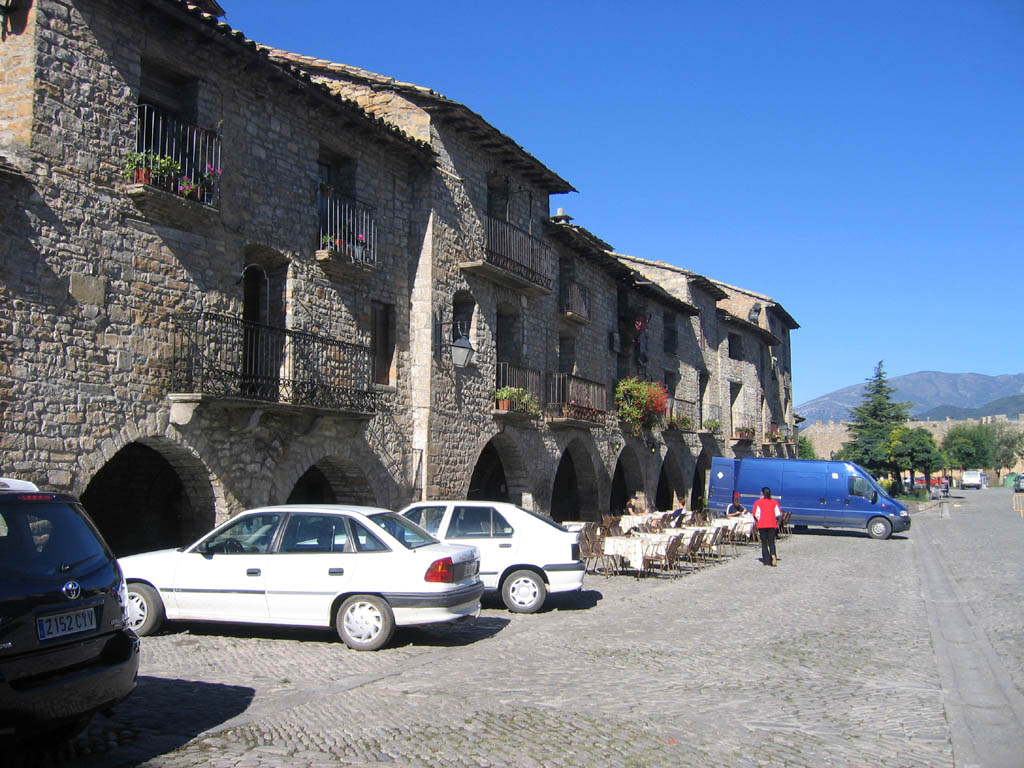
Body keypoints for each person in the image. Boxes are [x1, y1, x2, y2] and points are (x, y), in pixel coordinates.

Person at [752, 486, 780, 566]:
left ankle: (766, 560)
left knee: (764, 543)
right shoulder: (774, 502)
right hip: (771, 524)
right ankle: (773, 555)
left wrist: (758, 521)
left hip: (762, 524)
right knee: (771, 542)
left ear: (762, 493)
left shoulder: (758, 502)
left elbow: (755, 514)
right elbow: (777, 514)